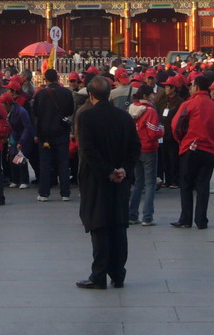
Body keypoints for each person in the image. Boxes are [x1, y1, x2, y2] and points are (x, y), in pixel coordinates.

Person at [75, 75, 140, 290]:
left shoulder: (86, 118)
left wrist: (108, 171)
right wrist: (123, 170)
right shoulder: (124, 117)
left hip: (97, 180)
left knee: (100, 226)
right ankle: (118, 274)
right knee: (118, 226)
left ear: (91, 95)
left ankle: (99, 274)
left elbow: (88, 152)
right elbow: (134, 147)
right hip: (120, 180)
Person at [170, 73, 214, 230]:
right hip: (208, 151)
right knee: (203, 186)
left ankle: (185, 219)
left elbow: (176, 125)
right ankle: (201, 220)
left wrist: (181, 140)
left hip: (190, 149)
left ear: (196, 87)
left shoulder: (188, 105)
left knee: (186, 185)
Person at [30, 68, 75, 202]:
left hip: (45, 134)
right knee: (63, 162)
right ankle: (65, 193)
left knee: (45, 163)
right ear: (58, 78)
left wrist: (37, 133)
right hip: (61, 132)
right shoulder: (67, 93)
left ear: (45, 79)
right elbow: (70, 110)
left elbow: (36, 114)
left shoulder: (40, 94)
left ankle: (44, 193)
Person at [127, 84, 161, 226]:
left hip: (135, 149)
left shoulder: (131, 109)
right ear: (146, 96)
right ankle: (147, 216)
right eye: (152, 95)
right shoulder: (150, 111)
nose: (154, 97)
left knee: (138, 183)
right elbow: (153, 132)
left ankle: (132, 214)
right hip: (149, 149)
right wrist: (161, 131)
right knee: (150, 183)